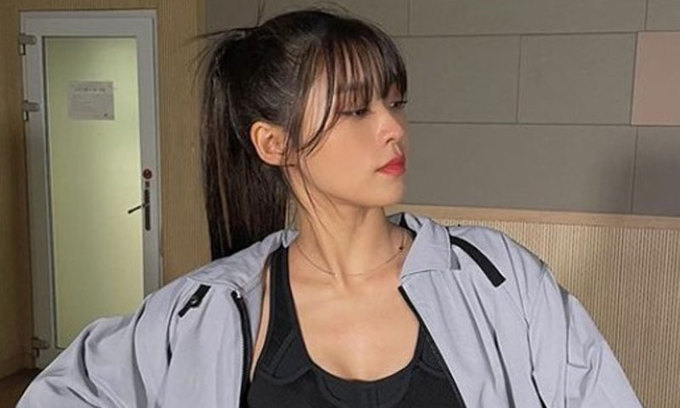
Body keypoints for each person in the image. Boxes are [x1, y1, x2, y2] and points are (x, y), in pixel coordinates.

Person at [18, 7, 643, 408]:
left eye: (395, 103)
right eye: (356, 110)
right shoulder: (208, 310)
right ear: (274, 143)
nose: (393, 128)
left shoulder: (497, 278)